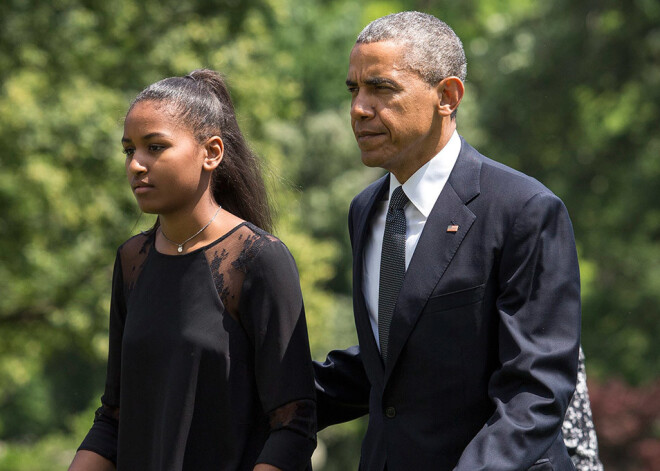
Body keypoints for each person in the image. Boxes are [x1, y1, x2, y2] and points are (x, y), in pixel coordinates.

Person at [314, 11, 582, 470]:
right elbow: (392, 365)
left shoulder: (523, 209)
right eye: (353, 89)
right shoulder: (365, 210)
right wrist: (259, 393)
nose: (359, 108)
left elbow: (534, 390)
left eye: (381, 88)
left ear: (447, 95)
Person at [69, 69, 316, 471]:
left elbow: (293, 424)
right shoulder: (133, 261)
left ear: (211, 152)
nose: (136, 164)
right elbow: (114, 416)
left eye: (155, 147)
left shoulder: (258, 260)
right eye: (129, 150)